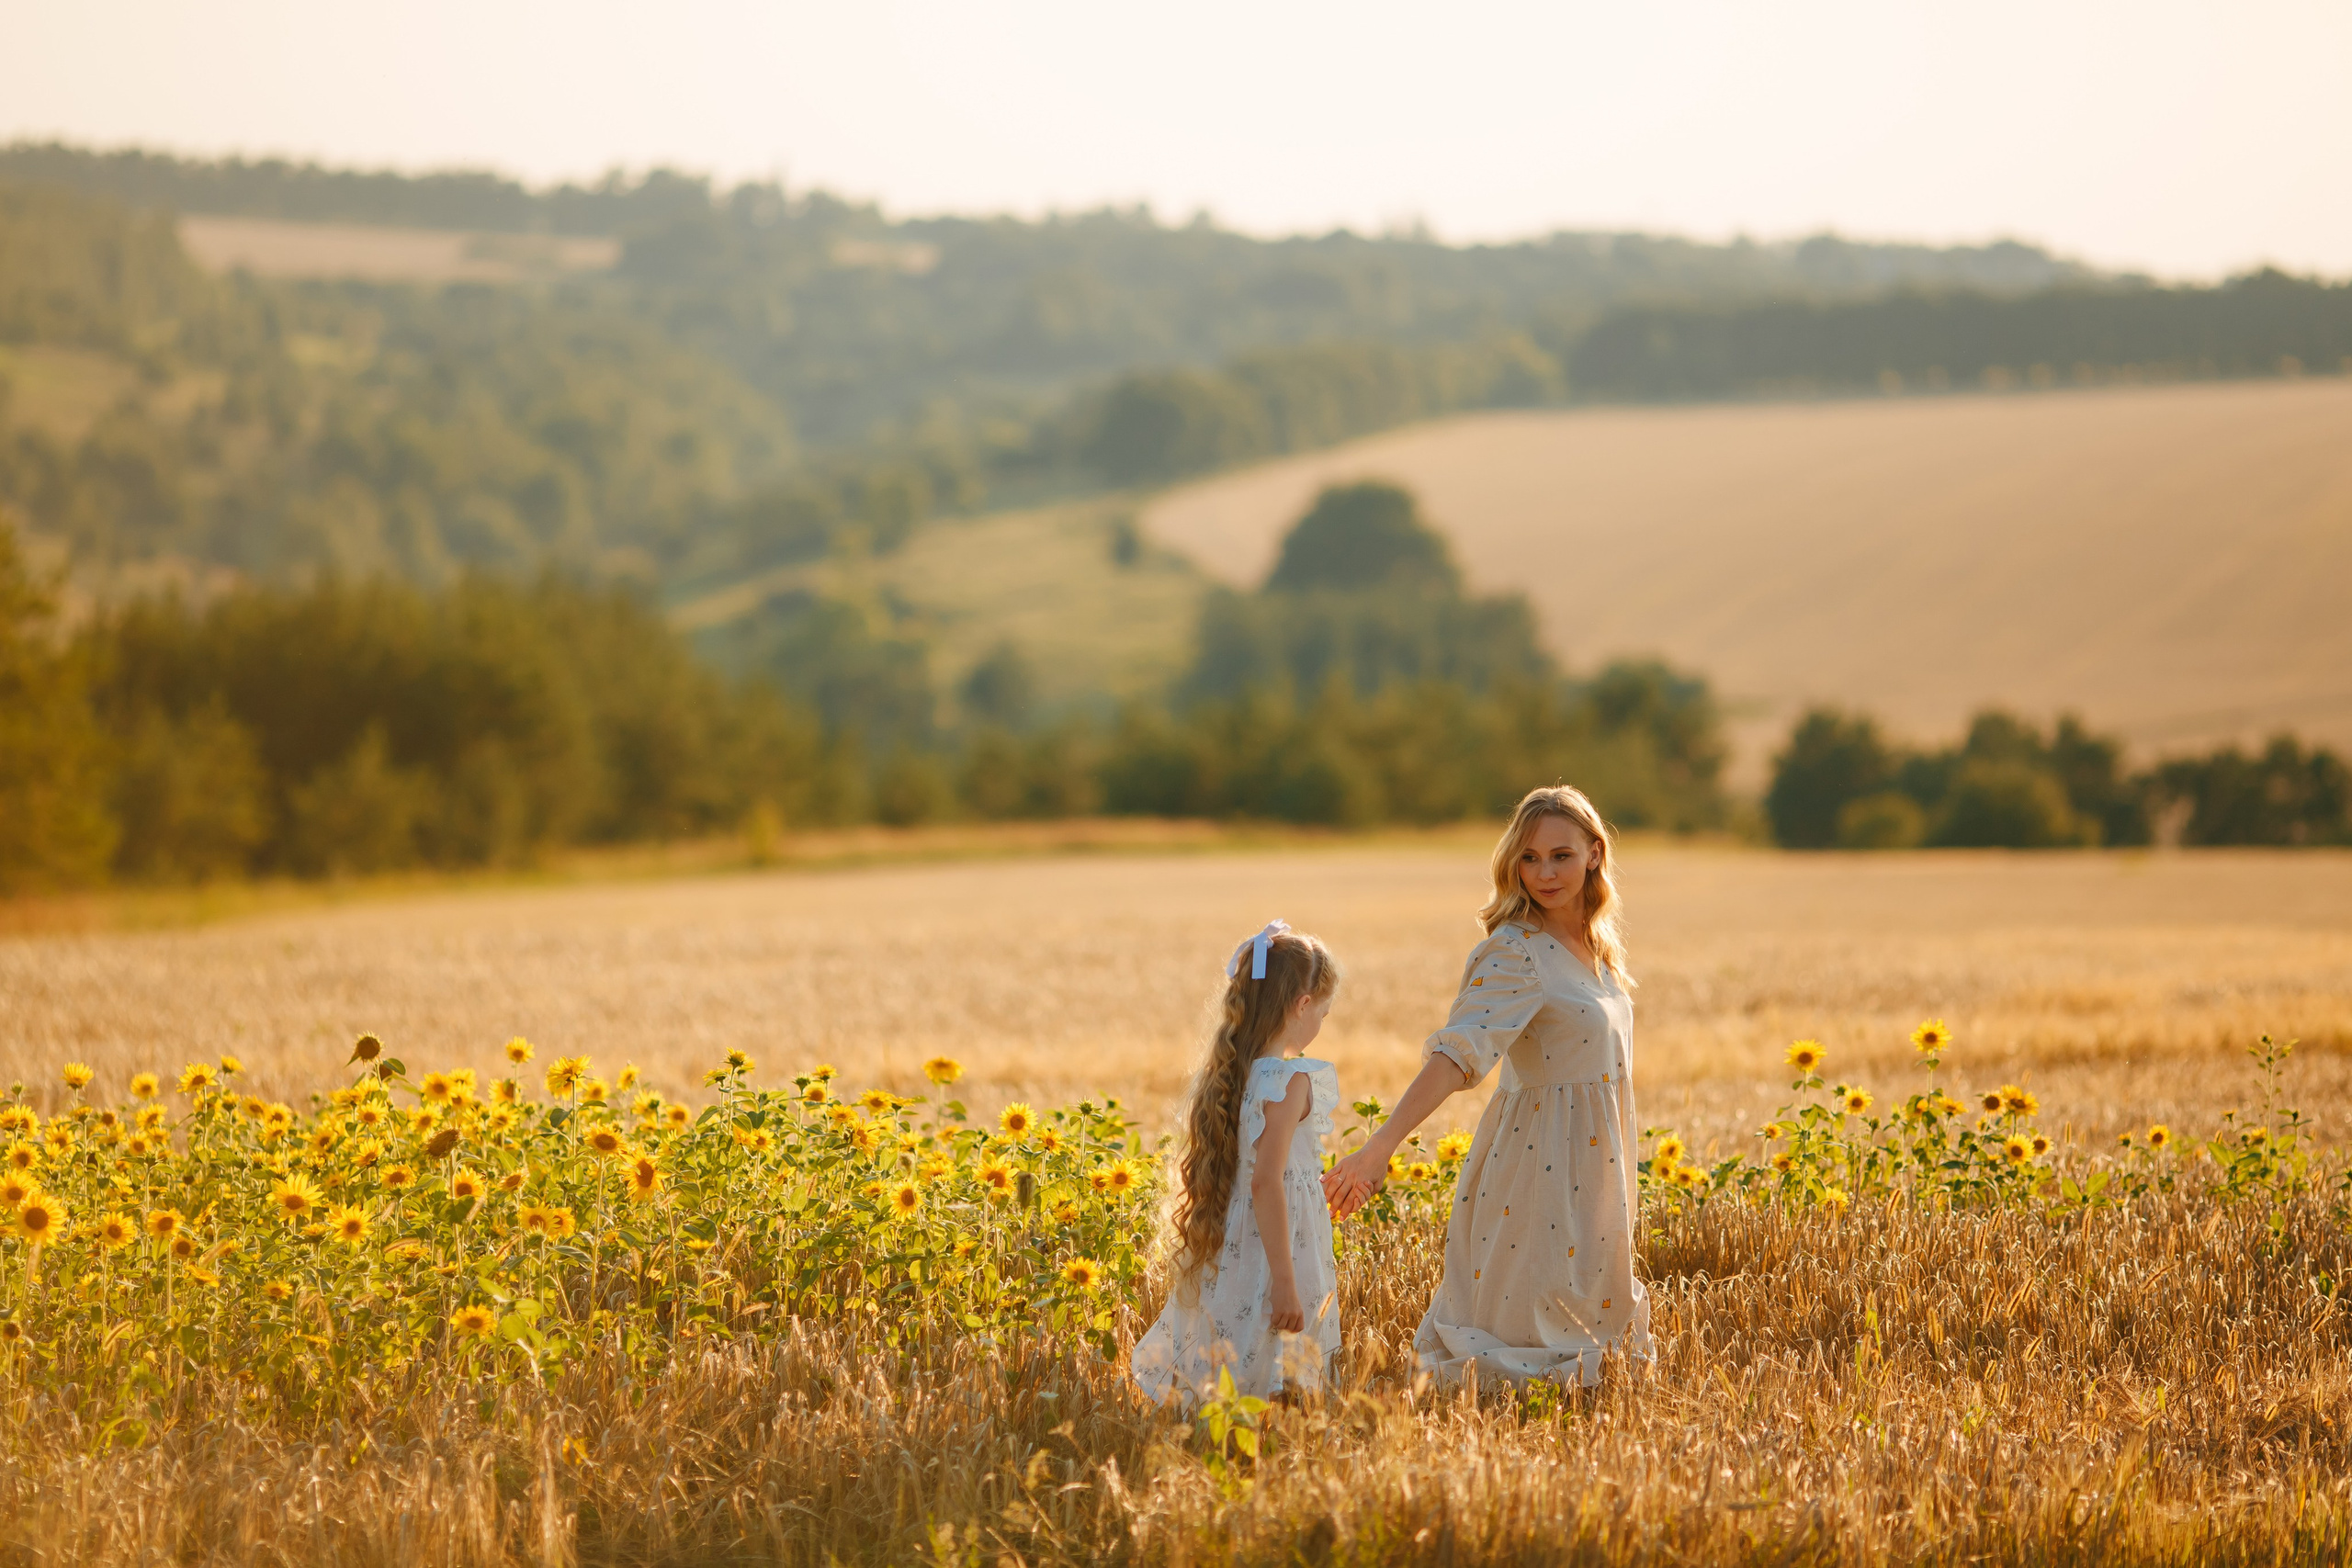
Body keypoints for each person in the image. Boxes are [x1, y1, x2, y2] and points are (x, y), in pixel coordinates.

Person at [1323, 785, 1654, 1387]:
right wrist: (1380, 1147)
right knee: (1525, 1340)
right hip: (1538, 1168)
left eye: (1560, 855)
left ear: (1595, 854)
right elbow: (1458, 1055)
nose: (1544, 872)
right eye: (1528, 858)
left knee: (1586, 1338)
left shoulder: (1601, 952)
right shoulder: (1515, 952)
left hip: (1597, 1162)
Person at [1132, 920, 1343, 1407]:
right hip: (1277, 1242)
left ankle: (1228, 1431)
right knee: (1277, 1342)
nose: (1321, 1025)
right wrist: (1286, 1282)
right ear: (1303, 1004)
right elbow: (1268, 1181)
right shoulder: (1291, 1080)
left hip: (1239, 1235)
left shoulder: (1234, 1072)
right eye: (1324, 1013)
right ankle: (1264, 1449)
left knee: (1239, 1339)